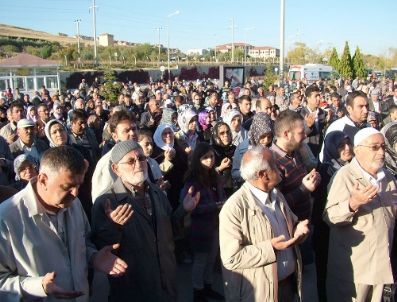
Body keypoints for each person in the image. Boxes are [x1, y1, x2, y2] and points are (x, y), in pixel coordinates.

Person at [0, 146, 128, 302]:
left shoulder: (74, 204)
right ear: (43, 180)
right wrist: (38, 287)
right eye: (68, 187)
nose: (75, 194)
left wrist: (93, 257)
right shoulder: (6, 218)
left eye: (79, 185)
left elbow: (84, 242)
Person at [91, 140, 199, 302]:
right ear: (116, 169)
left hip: (165, 284)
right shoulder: (107, 202)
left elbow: (171, 231)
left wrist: (184, 210)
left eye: (141, 158)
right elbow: (102, 251)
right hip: (133, 288)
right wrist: (113, 227)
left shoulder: (156, 192)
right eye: (131, 161)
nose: (139, 164)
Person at [219, 146, 310, 301]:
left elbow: (291, 222)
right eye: (274, 165)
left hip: (288, 287)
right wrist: (271, 248)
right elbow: (231, 258)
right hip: (259, 294)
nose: (280, 167)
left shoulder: (276, 194)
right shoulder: (234, 208)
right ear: (263, 175)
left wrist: (298, 228)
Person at [323, 127, 397, 301]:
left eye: (383, 147)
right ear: (358, 150)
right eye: (374, 147)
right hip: (355, 272)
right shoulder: (344, 176)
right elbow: (330, 216)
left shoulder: (388, 178)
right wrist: (353, 203)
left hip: (381, 268)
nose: (381, 152)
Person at [180, 142, 225, 302]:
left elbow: (221, 195)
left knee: (212, 258)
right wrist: (214, 206)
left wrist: (221, 203)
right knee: (200, 260)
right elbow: (190, 207)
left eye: (211, 157)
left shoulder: (214, 176)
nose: (210, 160)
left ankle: (208, 286)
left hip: (215, 224)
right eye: (205, 157)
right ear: (198, 159)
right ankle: (197, 292)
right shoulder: (192, 180)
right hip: (199, 227)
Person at [311, 131, 354, 301]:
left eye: (348, 144)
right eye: (340, 146)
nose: (346, 149)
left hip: (346, 227)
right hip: (326, 229)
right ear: (330, 148)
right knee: (326, 269)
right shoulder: (325, 170)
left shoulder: (353, 168)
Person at [319, 91, 369, 162]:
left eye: (367, 106)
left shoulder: (368, 127)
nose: (365, 111)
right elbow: (325, 159)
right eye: (360, 106)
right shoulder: (337, 127)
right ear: (349, 109)